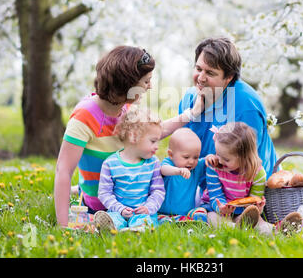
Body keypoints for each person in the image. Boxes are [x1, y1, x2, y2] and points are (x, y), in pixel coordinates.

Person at [54, 46, 204, 227]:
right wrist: (63, 225)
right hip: (105, 205)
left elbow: (152, 134)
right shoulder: (84, 116)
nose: (151, 87)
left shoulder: (125, 107)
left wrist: (191, 114)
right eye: (146, 81)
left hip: (135, 200)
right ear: (127, 84)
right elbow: (63, 170)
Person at [179, 37, 277, 179]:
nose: (201, 78)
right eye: (198, 69)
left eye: (210, 73)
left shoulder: (246, 105)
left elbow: (248, 163)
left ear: (229, 77)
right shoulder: (189, 99)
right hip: (209, 185)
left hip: (251, 186)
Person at [204, 122, 301, 234]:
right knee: (212, 218)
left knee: (258, 222)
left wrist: (257, 209)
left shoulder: (258, 173)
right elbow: (215, 195)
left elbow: (254, 198)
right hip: (217, 209)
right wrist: (221, 208)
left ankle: (277, 231)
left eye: (226, 159)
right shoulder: (214, 166)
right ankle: (235, 229)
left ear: (244, 158)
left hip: (243, 211)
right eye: (217, 154)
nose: (219, 160)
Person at [94, 106, 165, 231]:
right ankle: (112, 228)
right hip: (117, 211)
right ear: (133, 137)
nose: (157, 146)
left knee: (144, 221)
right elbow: (104, 193)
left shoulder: (153, 163)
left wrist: (149, 208)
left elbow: (158, 191)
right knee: (113, 219)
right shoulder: (110, 164)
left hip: (142, 213)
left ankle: (138, 230)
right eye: (153, 141)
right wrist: (119, 209)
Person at [157, 128, 208, 223]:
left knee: (201, 212)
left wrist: (211, 158)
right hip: (164, 212)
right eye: (186, 157)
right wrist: (178, 171)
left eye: (196, 157)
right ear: (171, 155)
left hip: (187, 212)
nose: (191, 161)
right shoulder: (169, 164)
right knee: (161, 220)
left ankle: (188, 220)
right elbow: (163, 169)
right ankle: (173, 221)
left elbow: (206, 161)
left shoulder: (195, 168)